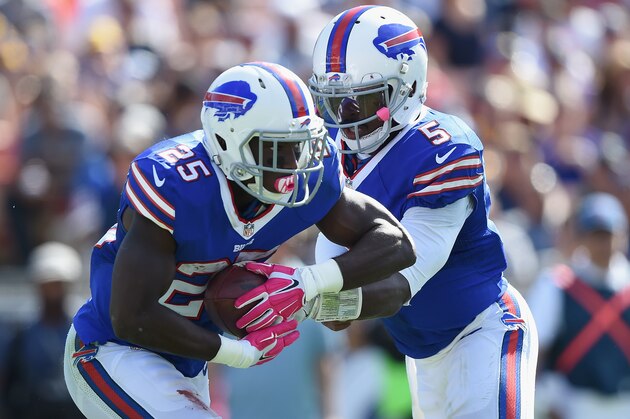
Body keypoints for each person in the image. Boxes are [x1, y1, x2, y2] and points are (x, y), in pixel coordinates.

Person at [63, 61, 415, 418]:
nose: (294, 163)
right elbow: (130, 316)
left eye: (300, 145)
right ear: (227, 141)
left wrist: (308, 283)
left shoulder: (308, 180)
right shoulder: (176, 184)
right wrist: (238, 353)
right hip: (114, 348)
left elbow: (396, 243)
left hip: (188, 360)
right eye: (278, 148)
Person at [304, 5, 538, 418]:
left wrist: (309, 290)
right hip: (423, 354)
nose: (347, 117)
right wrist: (298, 292)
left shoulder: (444, 149)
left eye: (363, 99)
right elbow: (338, 316)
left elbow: (401, 283)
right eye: (337, 100)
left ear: (406, 87)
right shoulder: (335, 151)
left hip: (480, 330)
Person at [528, 192, 630, 419]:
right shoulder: (557, 284)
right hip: (572, 404)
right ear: (581, 238)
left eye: (610, 234)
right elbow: (536, 350)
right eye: (596, 235)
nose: (605, 243)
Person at [4, 242, 84, 419]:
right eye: (48, 284)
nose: (53, 291)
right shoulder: (22, 329)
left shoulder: (85, 328)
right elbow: (12, 381)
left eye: (58, 284)